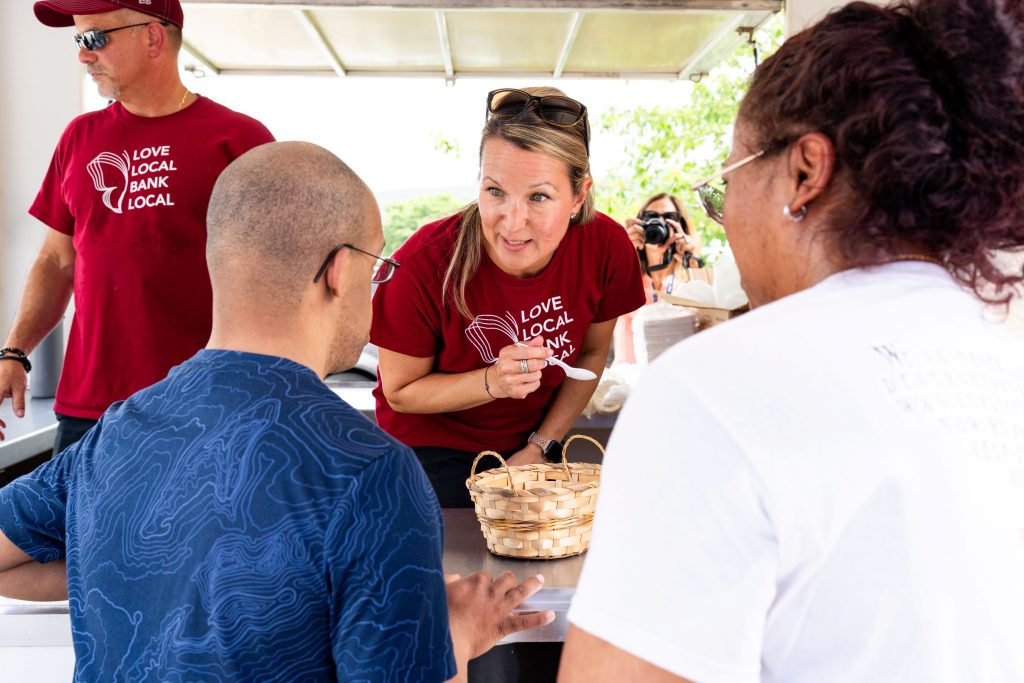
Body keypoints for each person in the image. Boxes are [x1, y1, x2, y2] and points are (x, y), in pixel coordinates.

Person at [561, 0, 1024, 680]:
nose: (724, 219)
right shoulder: (1001, 356)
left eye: (724, 185)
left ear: (805, 170)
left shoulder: (713, 389)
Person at [0, 142, 552, 682]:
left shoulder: (115, 433)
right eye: (377, 266)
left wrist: (152, 565)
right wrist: (455, 630)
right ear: (340, 271)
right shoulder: (369, 474)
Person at [0, 0, 274, 453]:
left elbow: (277, 278)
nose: (83, 55)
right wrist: (14, 351)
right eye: (78, 40)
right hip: (88, 409)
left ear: (152, 37)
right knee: (75, 527)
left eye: (94, 38)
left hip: (201, 406)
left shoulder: (241, 141)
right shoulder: (79, 137)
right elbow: (56, 259)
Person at [371, 87, 645, 507]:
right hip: (424, 454)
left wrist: (540, 447)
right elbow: (401, 392)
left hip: (530, 443)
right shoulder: (425, 262)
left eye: (539, 196)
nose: (512, 223)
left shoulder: (606, 248)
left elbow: (590, 356)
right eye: (495, 191)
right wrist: (493, 382)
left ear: (578, 195)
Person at [613, 193, 704, 364]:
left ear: (680, 227)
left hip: (676, 376)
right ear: (639, 224)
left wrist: (693, 261)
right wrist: (622, 251)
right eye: (651, 217)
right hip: (629, 383)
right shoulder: (624, 273)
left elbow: (710, 318)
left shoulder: (689, 279)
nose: (659, 224)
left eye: (669, 218)